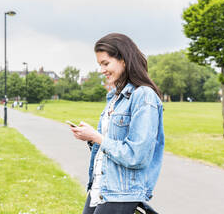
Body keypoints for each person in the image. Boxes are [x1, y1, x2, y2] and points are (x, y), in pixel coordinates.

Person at [69, 33, 164, 214]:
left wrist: (97, 138)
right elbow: (111, 146)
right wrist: (91, 139)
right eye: (100, 65)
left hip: (122, 193)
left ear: (124, 60)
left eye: (106, 63)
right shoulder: (114, 97)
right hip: (100, 187)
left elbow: (137, 155)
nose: (102, 70)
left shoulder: (143, 96)